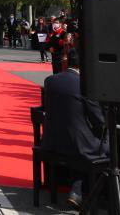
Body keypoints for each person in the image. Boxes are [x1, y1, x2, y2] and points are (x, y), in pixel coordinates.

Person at [42, 48, 107, 209]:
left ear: (67, 61)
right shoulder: (85, 85)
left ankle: (76, 191)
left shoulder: (50, 81)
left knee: (81, 145)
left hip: (52, 140)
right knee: (107, 145)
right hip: (76, 143)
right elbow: (99, 121)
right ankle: (105, 194)